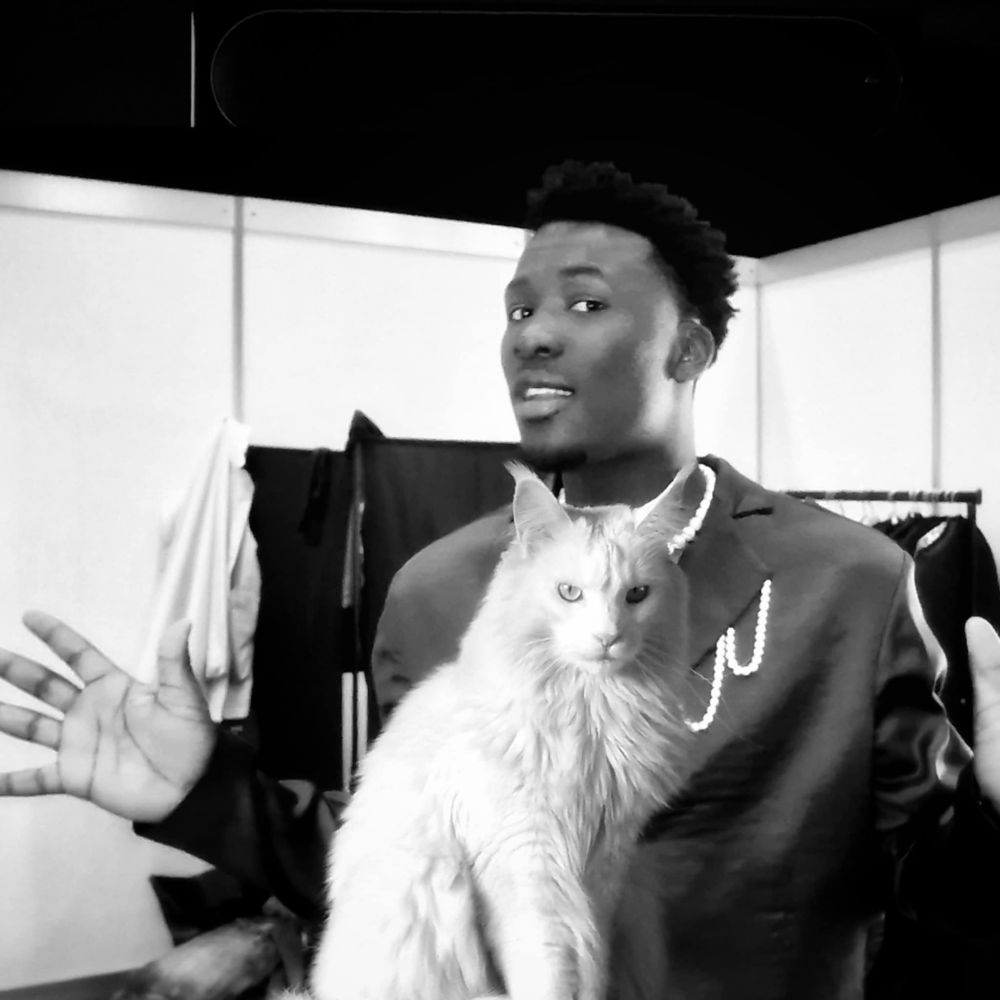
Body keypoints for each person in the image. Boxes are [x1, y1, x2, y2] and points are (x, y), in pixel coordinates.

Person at [3, 160, 1000, 998]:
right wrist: (209, 796)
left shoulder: (849, 581)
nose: (532, 334)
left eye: (584, 302)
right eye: (518, 308)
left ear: (690, 345)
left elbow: (938, 890)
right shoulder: (438, 590)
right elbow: (412, 861)